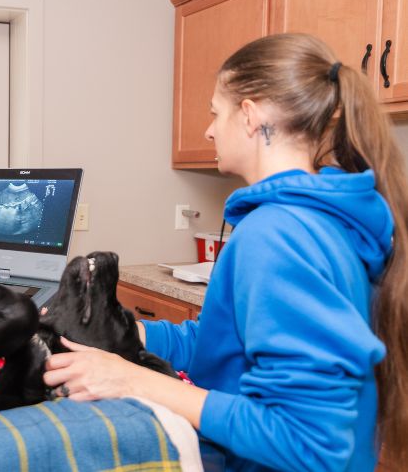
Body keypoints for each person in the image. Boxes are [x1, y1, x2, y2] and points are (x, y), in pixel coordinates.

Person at [44, 33, 408, 472]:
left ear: (250, 116)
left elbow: (307, 442)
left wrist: (130, 379)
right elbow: (224, 343)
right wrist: (125, 332)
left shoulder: (278, 234)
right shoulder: (316, 219)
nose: (209, 129)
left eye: (217, 113)